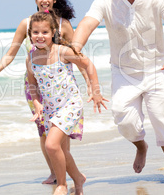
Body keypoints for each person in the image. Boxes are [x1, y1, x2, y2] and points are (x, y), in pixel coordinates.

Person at [72, 0, 164, 183]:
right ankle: (141, 146)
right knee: (123, 120)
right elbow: (88, 22)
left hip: (157, 69)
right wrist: (75, 45)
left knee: (163, 121)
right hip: (123, 72)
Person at [0, 0, 91, 184]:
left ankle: (66, 176)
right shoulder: (27, 23)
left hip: (61, 86)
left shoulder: (63, 24)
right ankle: (55, 172)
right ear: (35, 0)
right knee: (43, 131)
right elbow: (11, 53)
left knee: (60, 135)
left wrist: (89, 85)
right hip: (35, 86)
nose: (44, 0)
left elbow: (79, 58)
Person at [26, 10, 107, 195]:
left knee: (51, 145)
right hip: (50, 109)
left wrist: (95, 90)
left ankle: (62, 184)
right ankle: (78, 178)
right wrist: (37, 103)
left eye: (44, 32)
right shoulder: (30, 58)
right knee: (62, 151)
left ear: (53, 32)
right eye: (35, 32)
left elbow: (88, 65)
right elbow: (32, 84)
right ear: (30, 34)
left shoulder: (63, 51)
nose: (40, 36)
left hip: (70, 105)